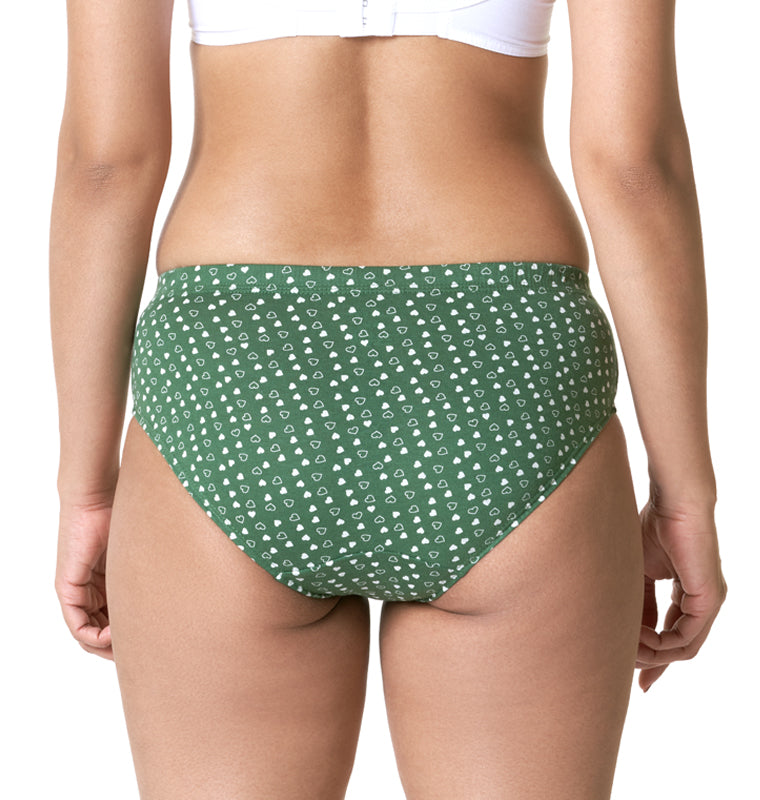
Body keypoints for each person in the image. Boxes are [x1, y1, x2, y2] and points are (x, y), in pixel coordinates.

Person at [50, 0, 726, 797]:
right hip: (503, 375)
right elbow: (632, 166)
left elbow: (106, 163)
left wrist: (86, 488)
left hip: (238, 381)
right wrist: (685, 495)